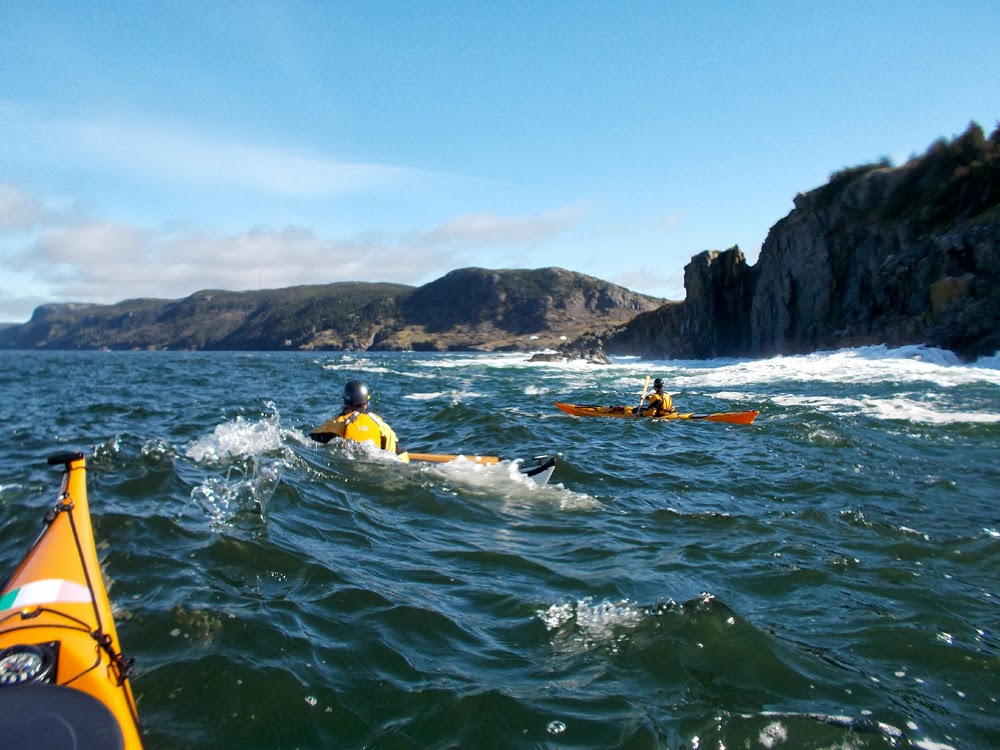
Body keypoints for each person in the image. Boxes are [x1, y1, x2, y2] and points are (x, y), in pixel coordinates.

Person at [309, 379, 407, 458]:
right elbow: (402, 455)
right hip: (376, 464)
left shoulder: (338, 423)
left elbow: (309, 441)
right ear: (366, 403)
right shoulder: (381, 426)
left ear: (345, 402)